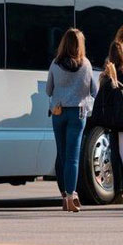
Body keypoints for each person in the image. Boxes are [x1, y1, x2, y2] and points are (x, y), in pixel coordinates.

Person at [46, 28, 98, 213]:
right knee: (72, 157)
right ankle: (71, 195)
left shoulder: (55, 63)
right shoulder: (86, 64)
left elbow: (48, 90)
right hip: (78, 112)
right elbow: (94, 90)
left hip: (58, 112)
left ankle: (63, 195)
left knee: (61, 154)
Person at [91, 41, 123, 210]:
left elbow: (101, 101)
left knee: (113, 159)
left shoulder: (104, 77)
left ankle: (118, 191)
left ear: (110, 57)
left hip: (109, 123)